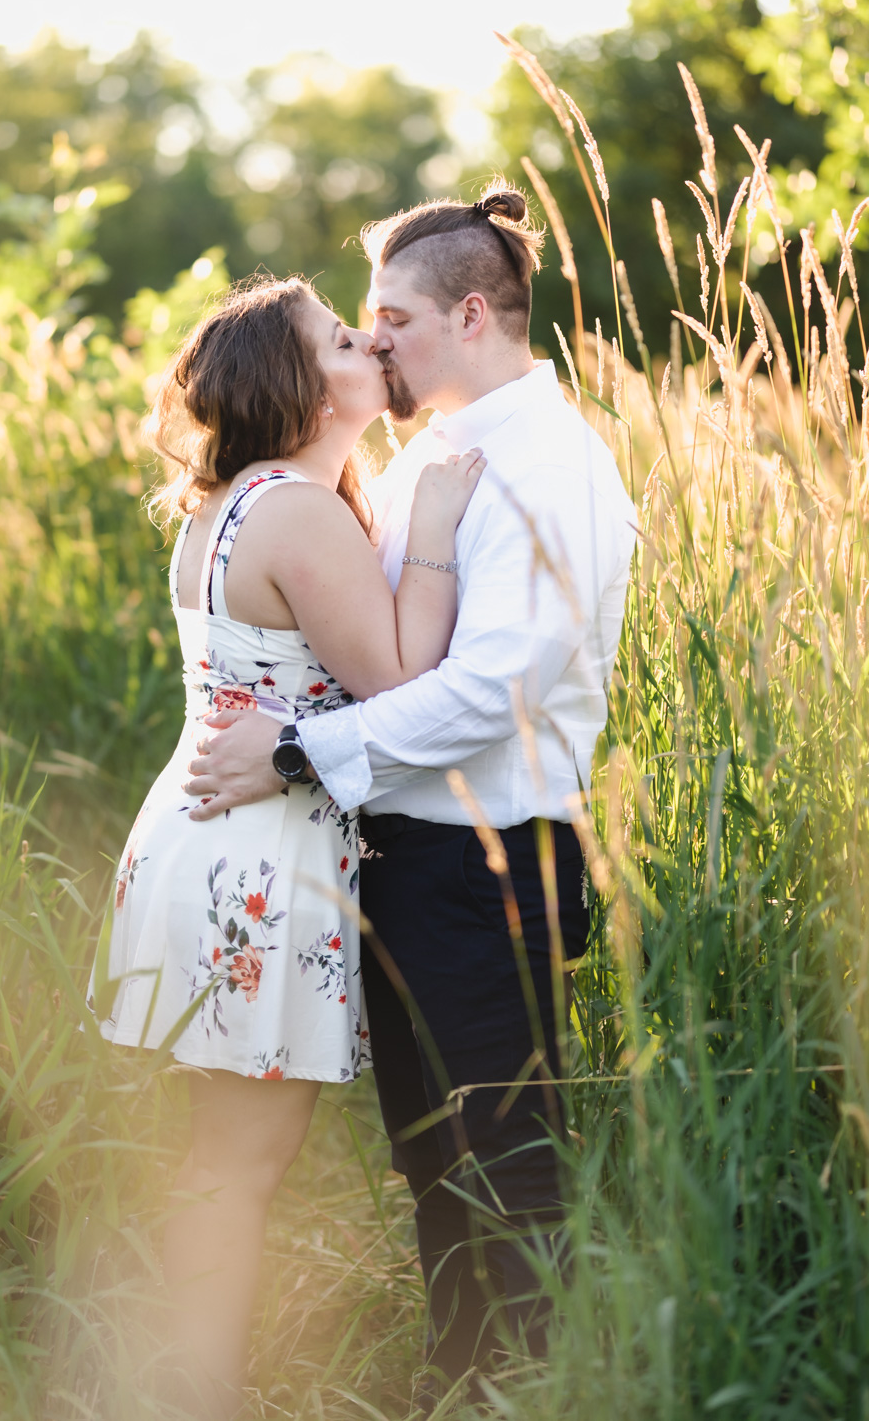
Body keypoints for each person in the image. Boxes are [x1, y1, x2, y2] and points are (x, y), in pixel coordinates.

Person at [183, 185, 637, 1395]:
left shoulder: (555, 468)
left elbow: (490, 691)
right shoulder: (432, 451)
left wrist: (291, 751)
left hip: (491, 857)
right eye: (364, 320)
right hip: (400, 857)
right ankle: (457, 1375)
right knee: (434, 1154)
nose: (372, 340)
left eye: (391, 316)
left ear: (471, 312)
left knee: (506, 1155)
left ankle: (523, 1387)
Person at [85, 274, 486, 1418]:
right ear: (309, 396)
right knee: (240, 1165)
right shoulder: (298, 510)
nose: (369, 342)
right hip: (259, 860)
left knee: (222, 1156)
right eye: (342, 337)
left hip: (204, 840)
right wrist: (443, 530)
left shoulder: (230, 503)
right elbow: (398, 681)